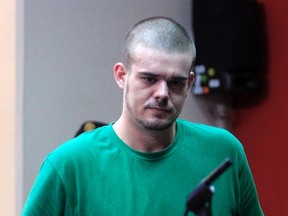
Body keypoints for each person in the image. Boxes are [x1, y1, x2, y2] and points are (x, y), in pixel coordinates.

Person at [22, 17, 263, 216]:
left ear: (189, 83)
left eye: (175, 83)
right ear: (121, 76)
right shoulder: (69, 165)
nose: (162, 93)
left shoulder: (223, 152)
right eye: (149, 79)